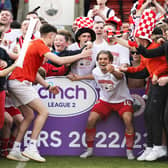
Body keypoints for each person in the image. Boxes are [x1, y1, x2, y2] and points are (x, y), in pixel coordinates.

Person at [6, 23, 92, 162]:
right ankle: (31, 148)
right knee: (43, 112)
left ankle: (15, 149)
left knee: (28, 116)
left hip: (16, 82)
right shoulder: (39, 44)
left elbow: (33, 72)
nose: (54, 42)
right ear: (51, 35)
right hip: (20, 82)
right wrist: (81, 55)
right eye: (54, 38)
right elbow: (59, 60)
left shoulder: (34, 44)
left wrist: (47, 86)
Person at [71, 50, 135, 160]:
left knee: (128, 120)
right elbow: (94, 76)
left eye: (105, 59)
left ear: (110, 60)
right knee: (91, 120)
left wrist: (113, 71)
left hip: (122, 100)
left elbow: (119, 76)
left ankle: (129, 151)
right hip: (105, 100)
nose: (102, 61)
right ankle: (89, 150)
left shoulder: (117, 69)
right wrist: (79, 78)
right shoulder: (96, 71)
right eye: (100, 59)